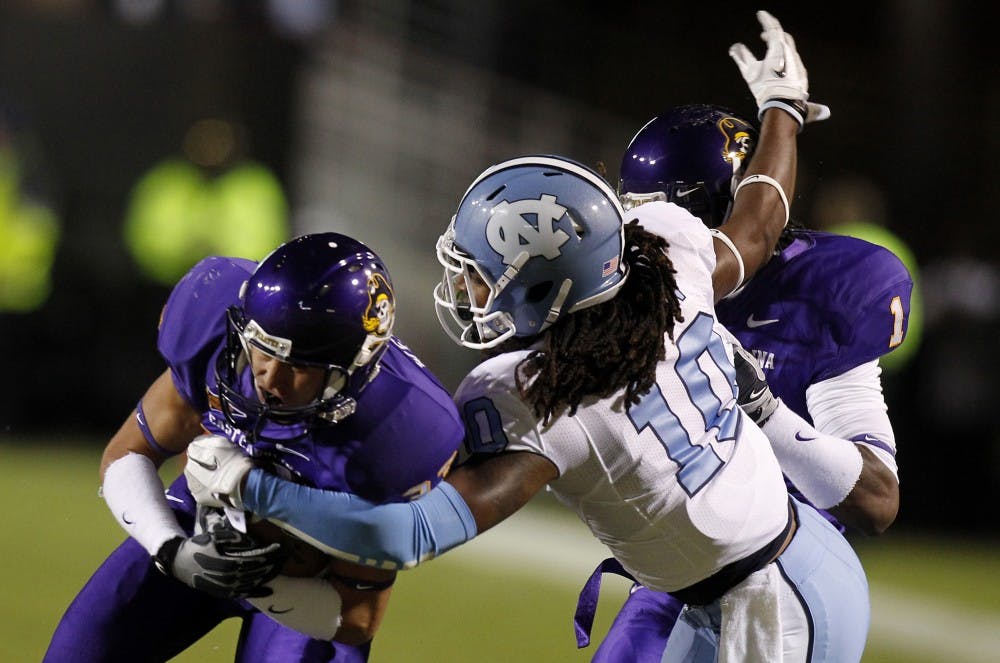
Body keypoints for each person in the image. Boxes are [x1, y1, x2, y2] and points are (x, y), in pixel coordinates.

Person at [180, 12, 870, 660]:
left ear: (546, 290)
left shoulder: (543, 401)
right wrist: (783, 107)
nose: (466, 289)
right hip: (785, 558)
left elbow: (409, 534)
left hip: (767, 611)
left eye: (480, 275)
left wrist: (255, 487)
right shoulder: (665, 254)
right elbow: (758, 222)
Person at [579, 104, 911, 660]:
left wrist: (762, 409)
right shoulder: (644, 301)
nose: (644, 239)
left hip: (784, 572)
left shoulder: (822, 292)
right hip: (679, 570)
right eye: (635, 217)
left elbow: (877, 500)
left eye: (663, 215)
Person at [44, 232, 465, 662]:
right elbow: (127, 453)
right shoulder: (213, 315)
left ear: (354, 369)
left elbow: (357, 617)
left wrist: (254, 584)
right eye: (262, 349)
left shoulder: (401, 428)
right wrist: (171, 548)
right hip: (197, 526)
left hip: (309, 584)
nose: (270, 377)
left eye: (298, 365)